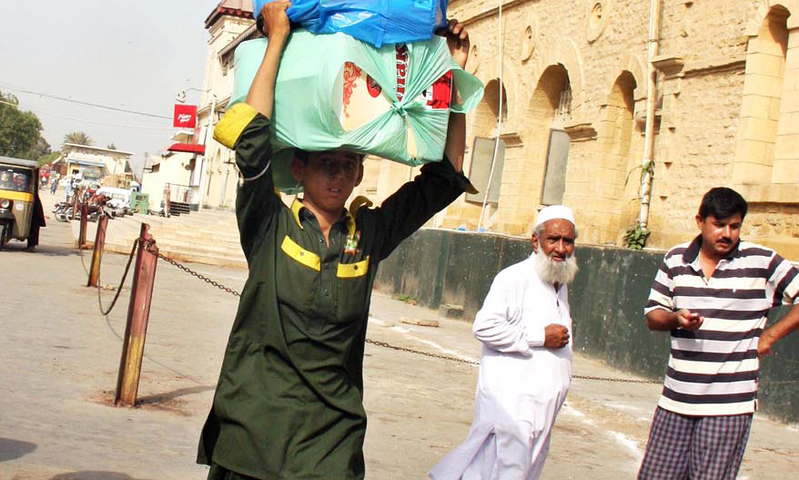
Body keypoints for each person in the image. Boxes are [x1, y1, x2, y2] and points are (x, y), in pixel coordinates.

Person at [197, 3, 477, 479]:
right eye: (327, 162)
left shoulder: (367, 236)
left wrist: (448, 73)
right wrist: (279, 39)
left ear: (360, 172)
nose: (339, 172)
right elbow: (253, 140)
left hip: (332, 437)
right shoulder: (269, 225)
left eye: (348, 164)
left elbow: (442, 180)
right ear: (300, 168)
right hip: (252, 431)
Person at [637, 187, 799, 480]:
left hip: (729, 406)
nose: (727, 233)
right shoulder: (676, 260)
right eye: (719, 224)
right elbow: (652, 316)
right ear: (700, 221)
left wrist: (769, 337)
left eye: (734, 226)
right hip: (675, 401)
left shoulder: (761, 261)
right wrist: (677, 318)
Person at [429, 205, 579, 480]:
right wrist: (539, 336)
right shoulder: (514, 278)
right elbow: (485, 327)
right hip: (512, 409)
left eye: (567, 241)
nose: (561, 248)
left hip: (541, 411)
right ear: (536, 241)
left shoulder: (560, 281)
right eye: (553, 240)